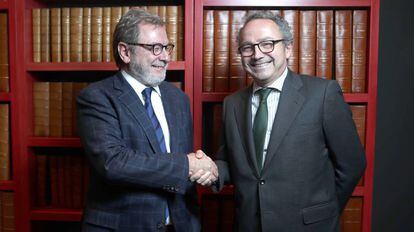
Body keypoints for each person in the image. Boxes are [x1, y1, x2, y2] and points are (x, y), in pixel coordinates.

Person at [211, 11, 366, 232]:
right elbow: (229, 162)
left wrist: (324, 212)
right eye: (247, 47)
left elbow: (352, 165)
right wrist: (208, 169)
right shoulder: (232, 104)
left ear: (288, 48)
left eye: (267, 44)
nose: (257, 54)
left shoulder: (322, 94)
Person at [77, 9, 217, 232]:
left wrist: (206, 171)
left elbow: (184, 166)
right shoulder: (97, 97)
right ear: (125, 52)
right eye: (155, 48)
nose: (165, 56)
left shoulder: (178, 99)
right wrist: (188, 165)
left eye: (167, 48)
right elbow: (113, 163)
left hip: (181, 225)